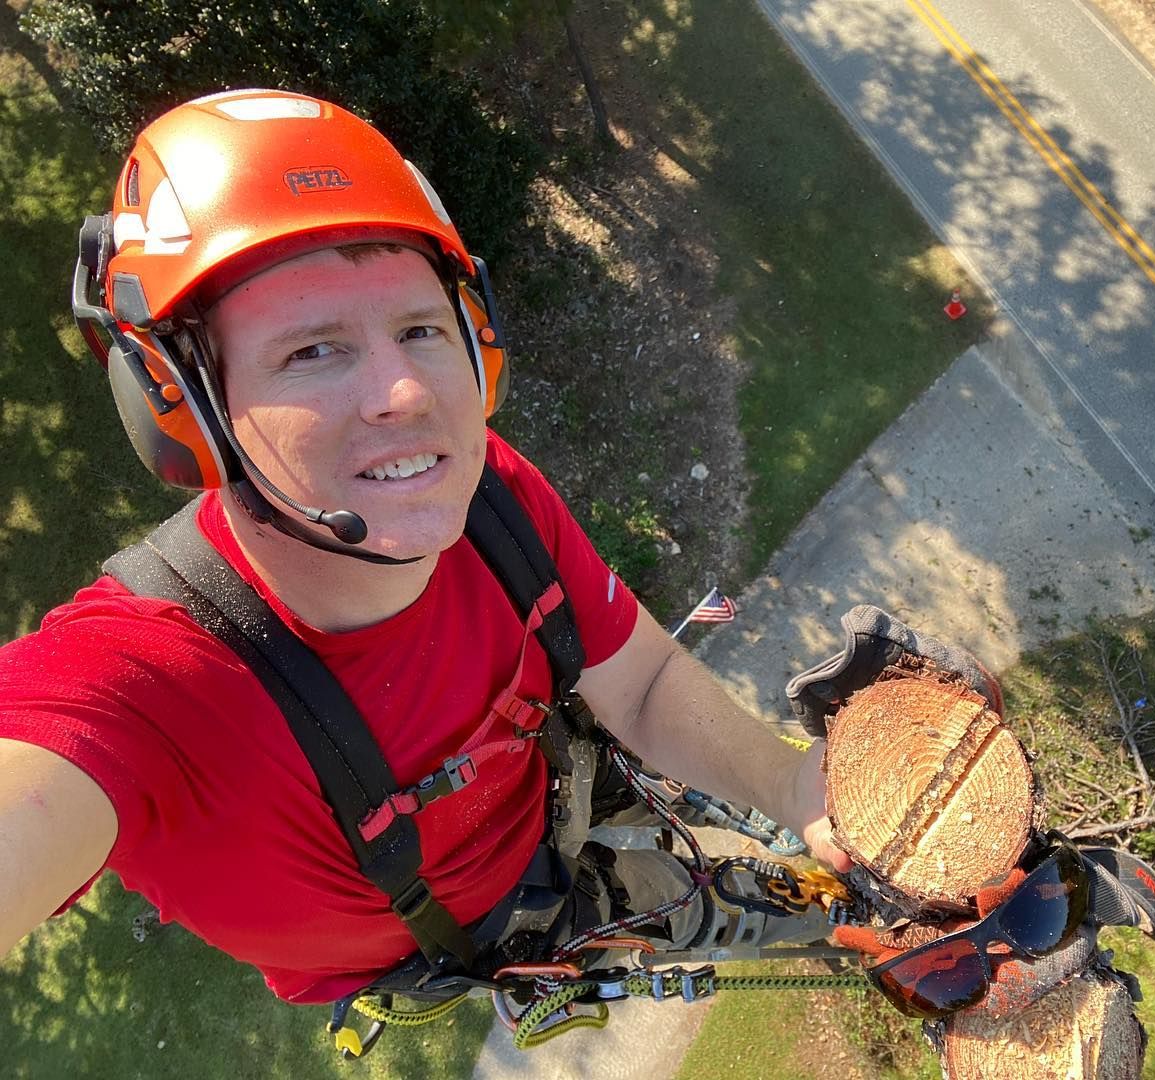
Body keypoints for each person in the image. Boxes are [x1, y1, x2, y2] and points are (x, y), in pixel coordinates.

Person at [0, 88, 851, 1017]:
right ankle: (824, 920)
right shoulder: (140, 683)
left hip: (547, 783)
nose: (405, 390)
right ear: (182, 405)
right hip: (486, 931)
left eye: (418, 329)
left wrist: (789, 781)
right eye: (313, 351)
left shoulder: (491, 499)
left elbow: (637, 685)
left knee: (680, 820)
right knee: (695, 905)